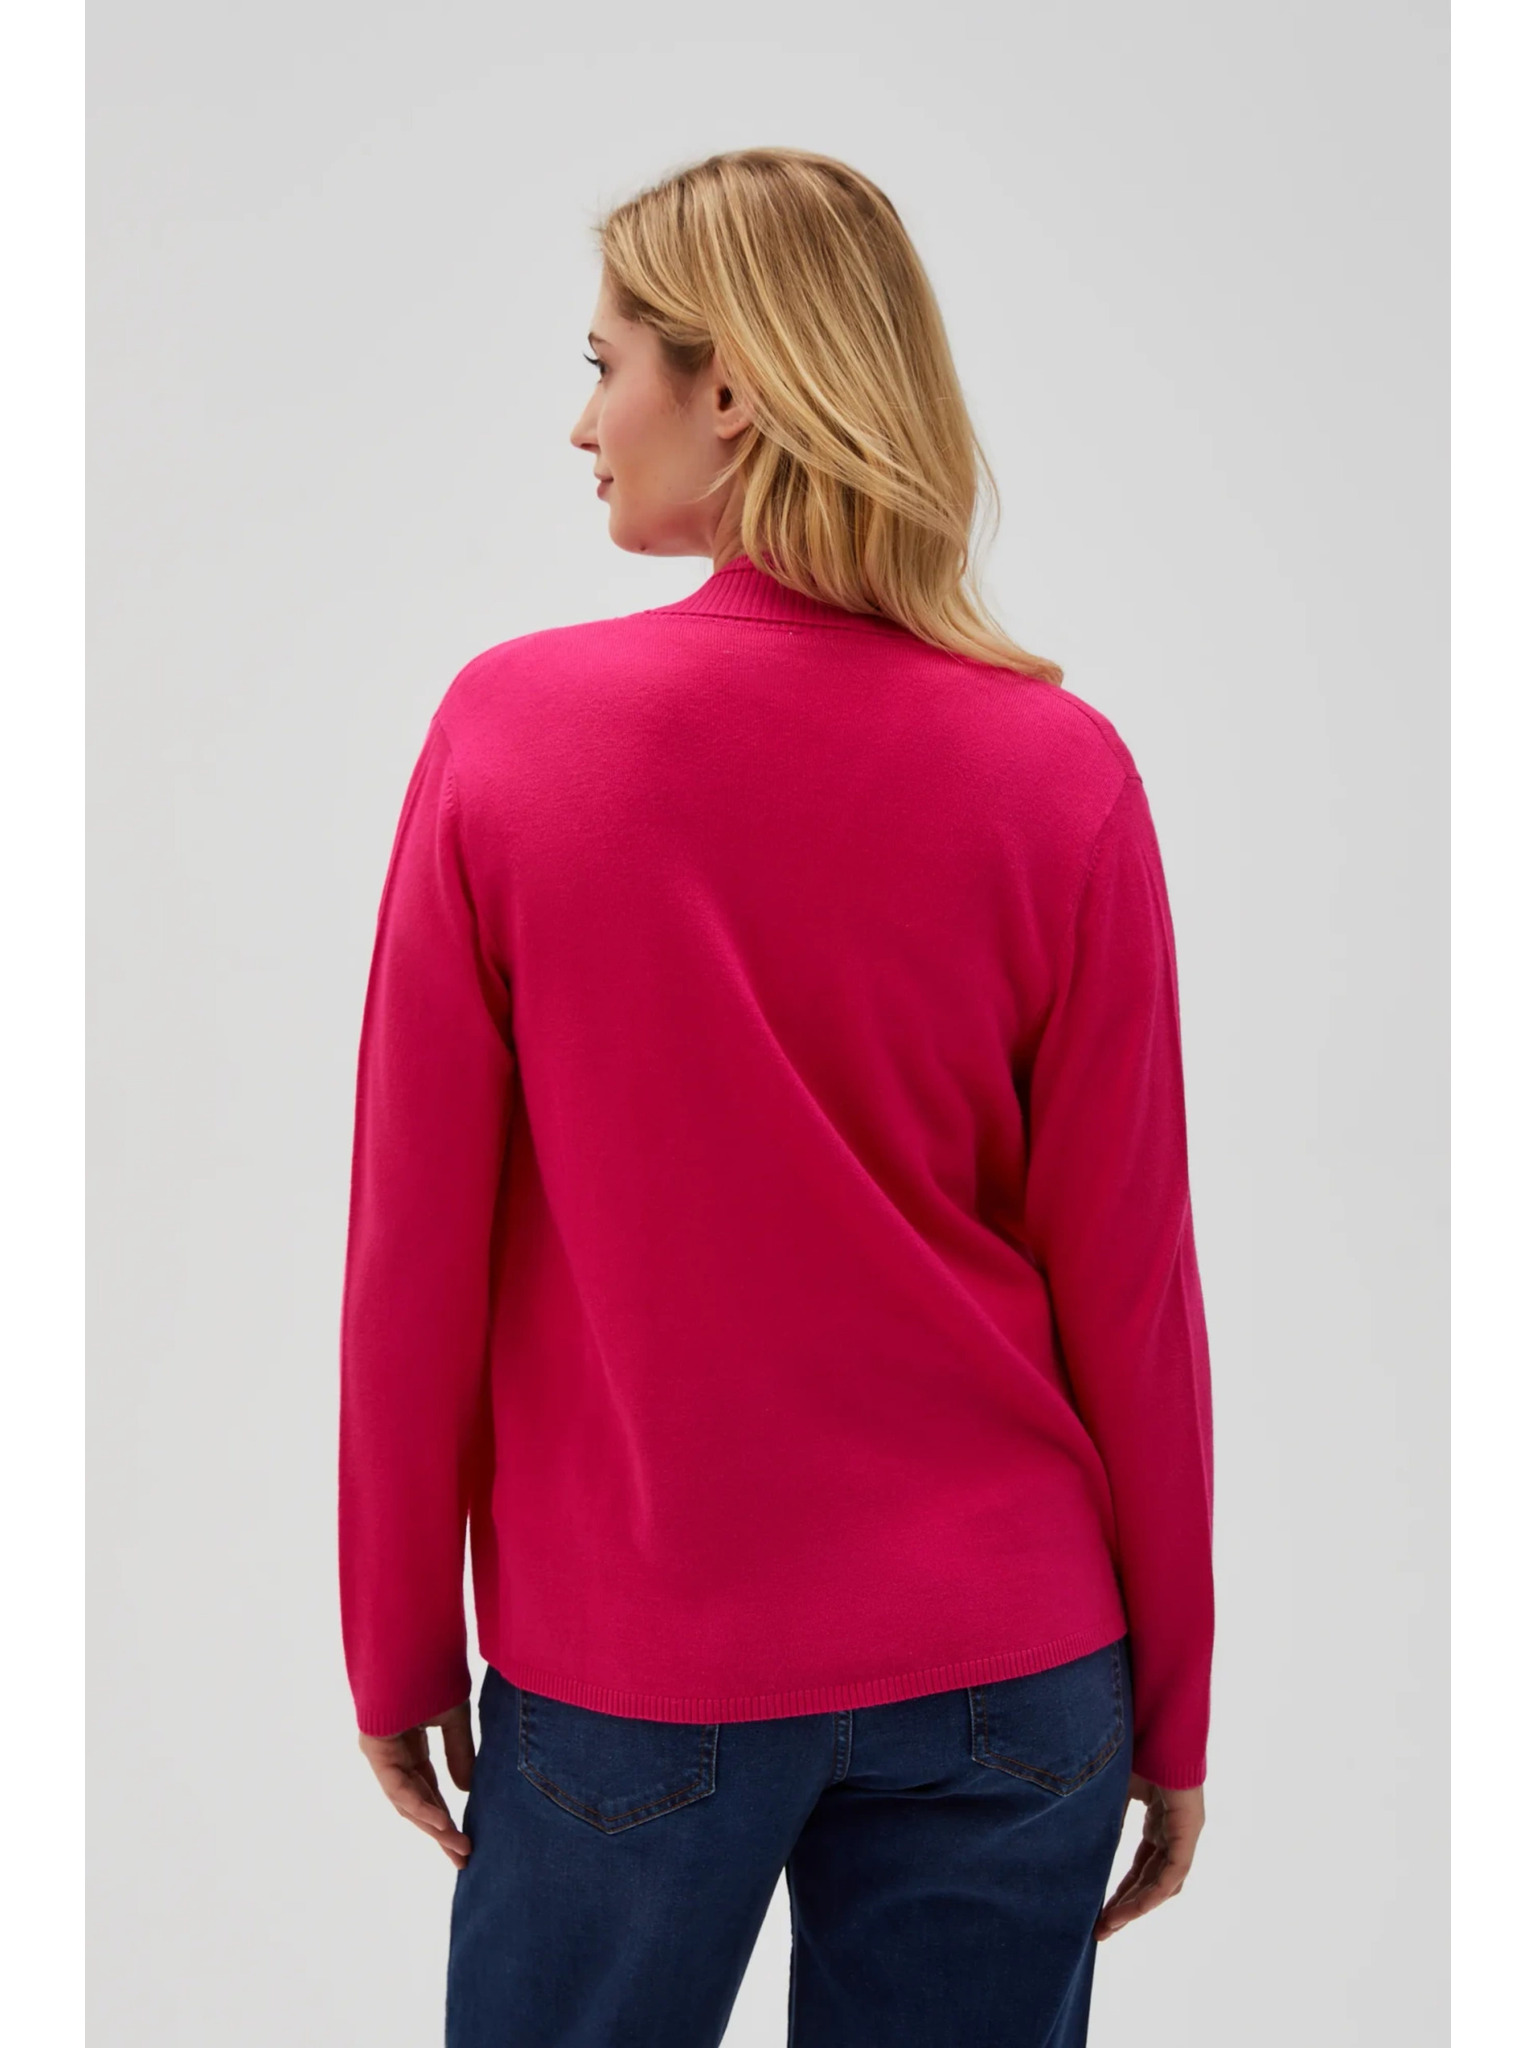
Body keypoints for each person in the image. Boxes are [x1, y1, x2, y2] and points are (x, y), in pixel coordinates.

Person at [338, 146, 1215, 2048]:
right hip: (1016, 1668)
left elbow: (415, 1243)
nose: (583, 423)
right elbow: (1132, 1285)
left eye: (605, 365)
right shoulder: (1062, 772)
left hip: (639, 1662)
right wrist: (1176, 1702)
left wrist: (396, 1639)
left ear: (727, 385)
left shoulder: (511, 734)